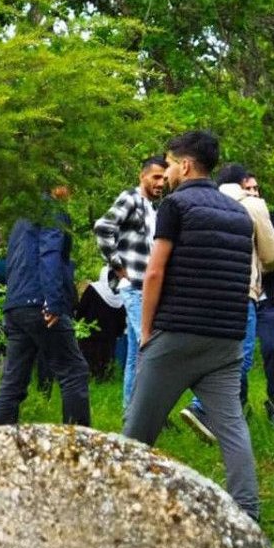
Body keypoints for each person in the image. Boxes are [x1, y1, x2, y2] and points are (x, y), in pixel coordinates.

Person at [121, 131, 260, 521]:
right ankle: (247, 511)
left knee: (137, 428)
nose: (164, 174)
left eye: (167, 165)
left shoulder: (175, 206)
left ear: (184, 165)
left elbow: (154, 272)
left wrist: (147, 333)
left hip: (176, 333)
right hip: (226, 340)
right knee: (231, 428)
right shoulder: (239, 212)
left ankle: (118, 506)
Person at [178, 163, 274, 442]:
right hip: (240, 290)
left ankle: (225, 421)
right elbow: (271, 255)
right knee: (239, 357)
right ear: (244, 182)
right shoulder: (253, 205)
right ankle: (202, 409)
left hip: (201, 293)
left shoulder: (196, 202)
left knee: (210, 352)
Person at [0, 188, 91, 427]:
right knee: (74, 371)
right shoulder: (51, 209)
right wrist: (54, 301)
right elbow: (51, 253)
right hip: (39, 302)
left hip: (16, 304)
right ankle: (77, 449)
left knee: (13, 382)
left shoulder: (22, 217)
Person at [93, 156, 168, 409]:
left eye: (164, 179)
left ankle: (131, 411)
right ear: (142, 176)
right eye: (156, 177)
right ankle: (144, 411)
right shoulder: (132, 198)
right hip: (134, 286)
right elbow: (103, 227)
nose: (160, 183)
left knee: (137, 354)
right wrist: (116, 265)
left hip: (146, 287)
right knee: (148, 346)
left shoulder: (152, 207)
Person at [74, 267, 126, 381]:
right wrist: (118, 332)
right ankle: (104, 377)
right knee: (105, 362)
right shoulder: (119, 297)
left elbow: (82, 308)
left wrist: (79, 323)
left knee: (89, 360)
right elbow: (122, 319)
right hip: (108, 337)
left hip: (90, 333)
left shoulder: (92, 289)